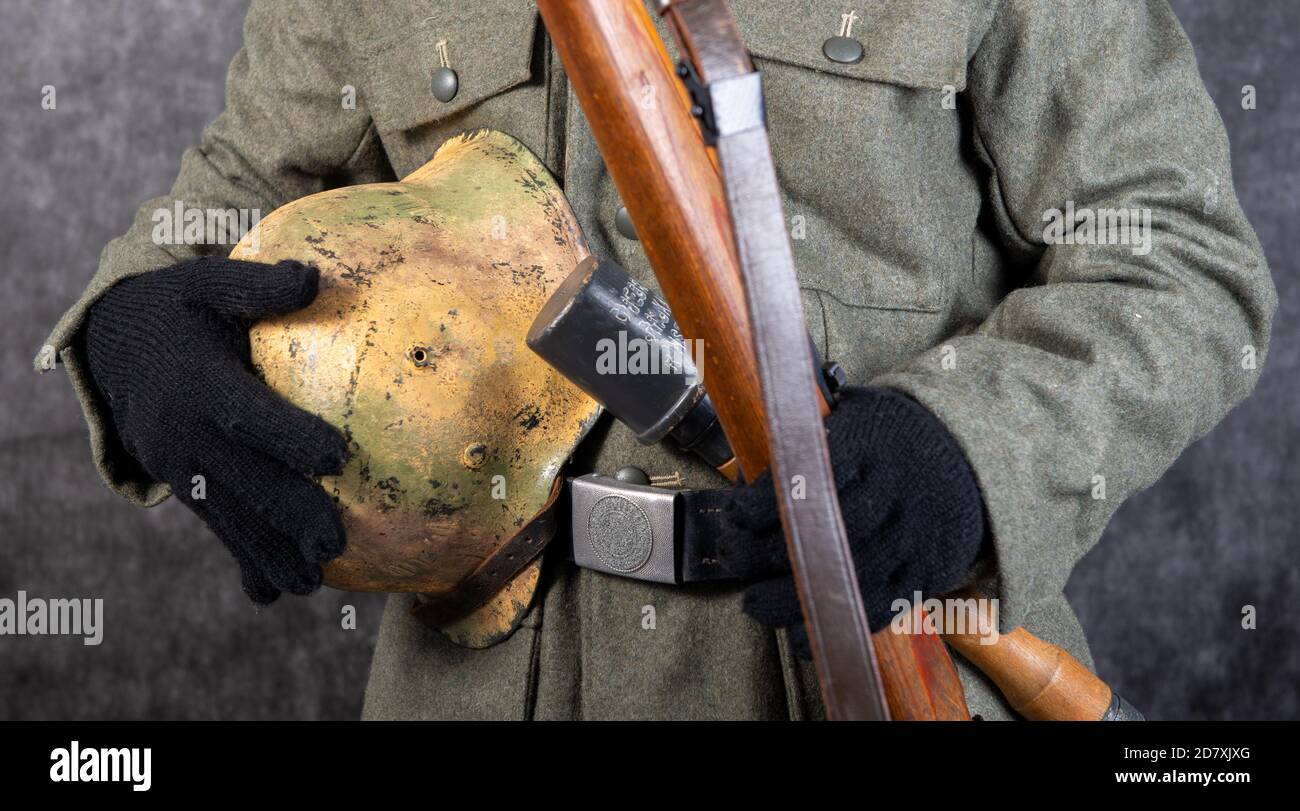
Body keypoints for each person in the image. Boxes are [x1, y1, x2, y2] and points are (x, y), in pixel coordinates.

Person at [36, 0, 1275, 720]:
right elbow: (230, 198)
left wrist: (969, 451)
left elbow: (1177, 264)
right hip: (485, 682)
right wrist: (138, 330)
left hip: (875, 666)